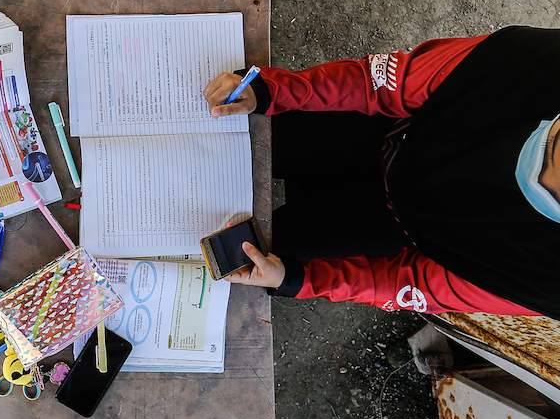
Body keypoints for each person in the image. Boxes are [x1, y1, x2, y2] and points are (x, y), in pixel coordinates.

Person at [203, 25, 560, 318]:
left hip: (402, 229)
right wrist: (270, 91)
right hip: (392, 132)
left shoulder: (547, 285)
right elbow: (388, 82)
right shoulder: (543, 61)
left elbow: (413, 285)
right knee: (226, 131)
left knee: (234, 258)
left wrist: (295, 279)